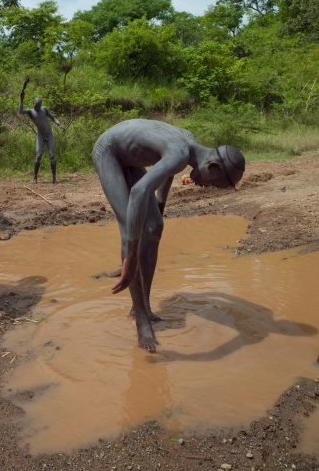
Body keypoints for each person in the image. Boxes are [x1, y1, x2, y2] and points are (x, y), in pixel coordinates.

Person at [92, 119, 245, 353]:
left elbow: (169, 172)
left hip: (130, 159)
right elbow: (139, 191)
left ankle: (141, 307)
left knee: (153, 228)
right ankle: (142, 322)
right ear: (213, 166)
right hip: (108, 153)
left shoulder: (189, 146)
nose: (206, 186)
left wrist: (157, 214)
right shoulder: (180, 153)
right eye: (214, 184)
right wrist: (132, 254)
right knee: (128, 230)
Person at [18, 88, 64, 184]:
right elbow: (21, 111)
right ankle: (35, 178)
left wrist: (59, 124)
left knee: (52, 156)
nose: (38, 108)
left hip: (49, 134)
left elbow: (53, 118)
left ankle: (54, 178)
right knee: (38, 156)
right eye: (36, 106)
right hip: (41, 135)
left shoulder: (44, 109)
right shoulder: (31, 112)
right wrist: (21, 99)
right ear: (33, 104)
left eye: (39, 106)